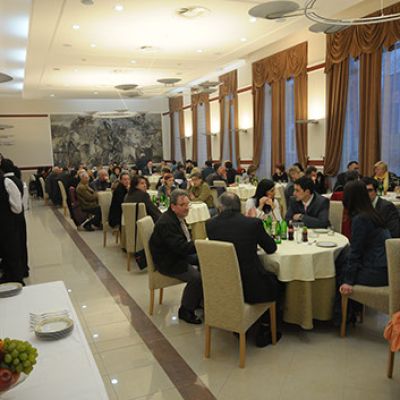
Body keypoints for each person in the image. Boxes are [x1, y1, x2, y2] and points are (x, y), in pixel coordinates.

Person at [206, 192, 281, 347]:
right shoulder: (252, 224)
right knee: (276, 281)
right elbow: (271, 248)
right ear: (239, 206)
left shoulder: (210, 225)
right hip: (250, 287)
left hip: (222, 285)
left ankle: (242, 325)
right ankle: (265, 329)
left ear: (220, 207)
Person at [150, 189, 203, 324]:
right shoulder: (167, 223)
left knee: (205, 261)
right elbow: (181, 247)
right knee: (196, 278)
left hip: (175, 254)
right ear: (173, 206)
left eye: (187, 204)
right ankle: (185, 310)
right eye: (182, 205)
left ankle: (197, 299)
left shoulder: (176, 217)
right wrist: (201, 244)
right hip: (168, 261)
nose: (186, 208)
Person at [338, 181, 390, 298]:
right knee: (342, 257)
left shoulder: (360, 219)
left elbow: (356, 251)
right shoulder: (372, 213)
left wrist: (348, 281)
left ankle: (343, 309)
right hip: (387, 267)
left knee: (338, 271)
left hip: (377, 272)